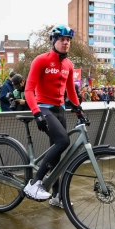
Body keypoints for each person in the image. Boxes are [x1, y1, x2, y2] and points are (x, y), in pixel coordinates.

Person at [24, 24, 81, 206]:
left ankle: (57, 197)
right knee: (64, 141)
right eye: (62, 39)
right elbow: (28, 90)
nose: (66, 43)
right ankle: (35, 183)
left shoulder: (68, 64)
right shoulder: (41, 60)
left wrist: (79, 109)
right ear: (54, 41)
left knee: (57, 156)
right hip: (44, 108)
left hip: (60, 110)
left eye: (68, 40)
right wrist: (37, 113)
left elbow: (71, 91)